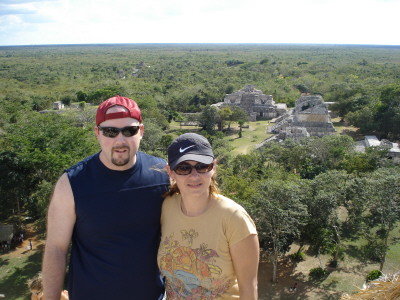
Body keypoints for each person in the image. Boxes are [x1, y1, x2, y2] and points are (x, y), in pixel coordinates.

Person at [42, 96, 169, 300]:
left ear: (142, 132)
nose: (120, 140)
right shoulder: (71, 183)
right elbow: (56, 247)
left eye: (129, 130)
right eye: (110, 131)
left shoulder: (163, 175)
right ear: (97, 134)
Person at [158, 133, 259, 299]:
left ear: (213, 167)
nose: (195, 175)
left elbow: (249, 288)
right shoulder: (167, 207)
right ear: (170, 172)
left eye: (202, 166)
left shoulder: (234, 218)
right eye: (184, 168)